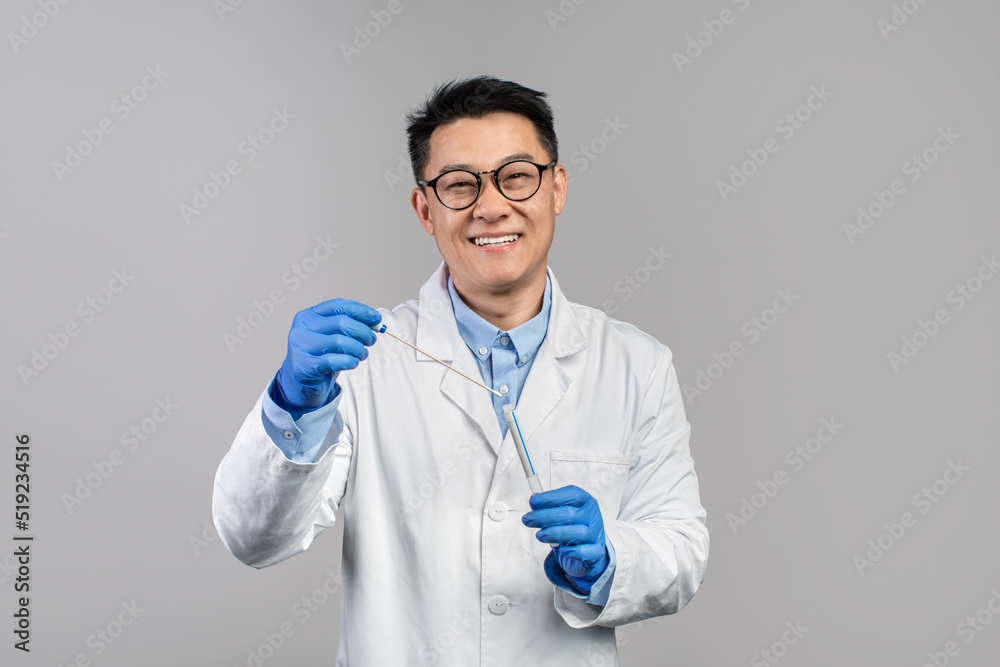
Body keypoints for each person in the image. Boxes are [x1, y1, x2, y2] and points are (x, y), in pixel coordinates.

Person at [212, 75, 709, 666]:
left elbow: (681, 551)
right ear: (425, 208)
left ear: (557, 188)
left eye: (517, 176)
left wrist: (609, 557)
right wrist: (294, 403)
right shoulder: (366, 364)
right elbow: (254, 540)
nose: (491, 206)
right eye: (459, 185)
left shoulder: (636, 365)